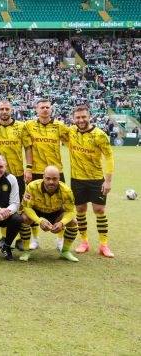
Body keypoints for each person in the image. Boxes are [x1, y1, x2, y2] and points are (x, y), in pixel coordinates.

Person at [67, 105, 115, 258]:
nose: (81, 120)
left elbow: (109, 157)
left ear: (90, 117)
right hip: (77, 179)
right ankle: (84, 242)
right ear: (73, 119)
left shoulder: (100, 135)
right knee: (80, 211)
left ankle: (104, 244)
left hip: (96, 179)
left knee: (99, 210)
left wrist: (107, 181)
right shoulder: (71, 132)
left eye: (83, 117)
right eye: (78, 117)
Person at [22, 98, 69, 249]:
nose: (45, 109)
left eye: (47, 107)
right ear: (36, 110)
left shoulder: (59, 126)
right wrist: (28, 168)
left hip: (56, 172)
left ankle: (60, 240)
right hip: (36, 171)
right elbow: (27, 147)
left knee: (61, 207)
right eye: (42, 107)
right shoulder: (29, 125)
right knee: (32, 206)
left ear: (51, 109)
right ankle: (34, 239)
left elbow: (72, 139)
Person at [0, 100, 34, 250]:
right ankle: (4, 238)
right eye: (2, 109)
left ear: (11, 110)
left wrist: (28, 168)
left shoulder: (21, 126)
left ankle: (21, 238)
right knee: (2, 205)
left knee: (19, 206)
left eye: (7, 109)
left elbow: (28, 148)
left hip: (18, 173)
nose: (4, 111)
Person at [19, 166, 79, 262]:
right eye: (48, 178)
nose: (51, 182)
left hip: (56, 212)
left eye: (54, 179)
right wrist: (39, 221)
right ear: (43, 177)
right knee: (24, 218)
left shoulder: (67, 191)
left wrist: (61, 223)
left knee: (73, 222)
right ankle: (26, 251)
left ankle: (65, 251)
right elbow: (27, 207)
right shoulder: (32, 186)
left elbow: (71, 211)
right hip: (37, 210)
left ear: (59, 178)